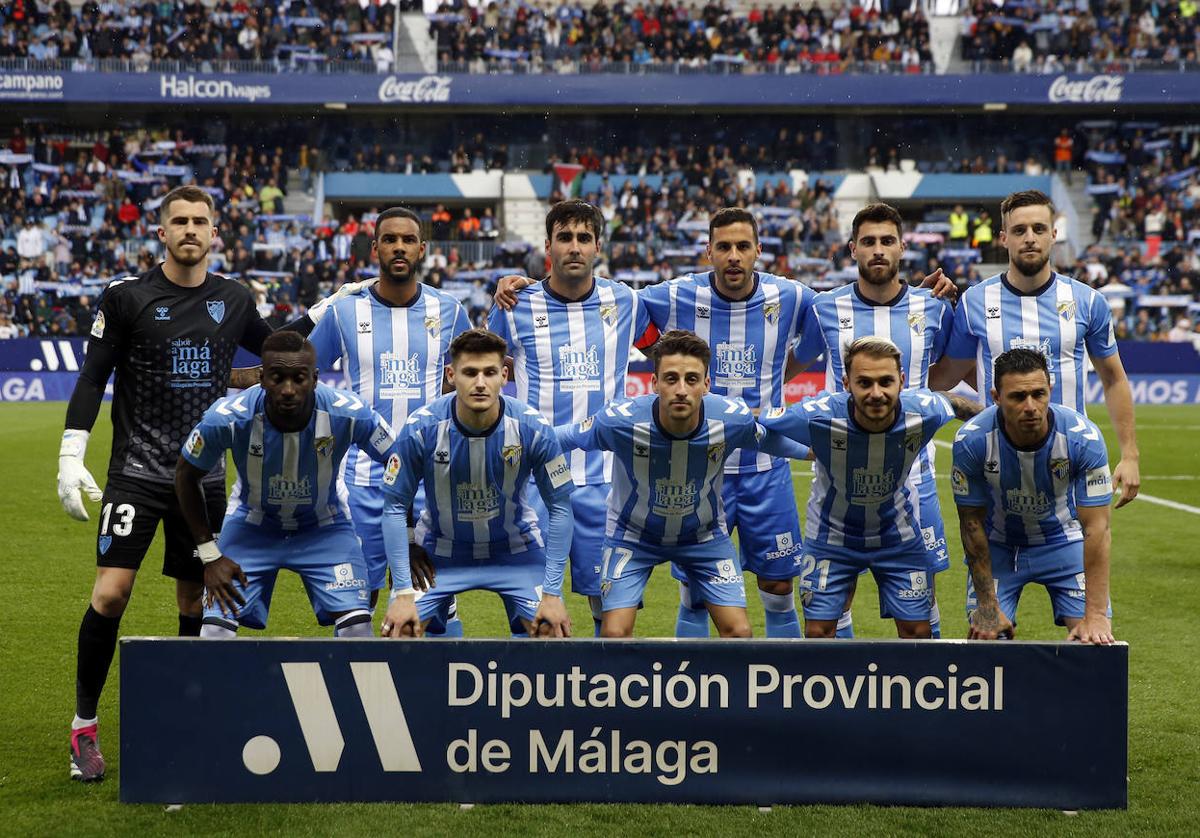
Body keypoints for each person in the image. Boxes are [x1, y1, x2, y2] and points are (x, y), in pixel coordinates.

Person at [55, 185, 360, 783]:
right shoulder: (125, 297)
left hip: (206, 477)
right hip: (138, 473)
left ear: (214, 232)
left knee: (196, 600)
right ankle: (83, 728)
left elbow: (277, 349)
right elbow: (92, 377)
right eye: (180, 221)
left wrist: (328, 308)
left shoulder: (233, 298)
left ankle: (187, 717)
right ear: (161, 232)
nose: (191, 229)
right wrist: (71, 452)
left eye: (201, 221)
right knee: (111, 593)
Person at [555, 330, 811, 638]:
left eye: (691, 379)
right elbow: (564, 437)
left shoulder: (731, 419)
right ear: (654, 383)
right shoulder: (620, 422)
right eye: (671, 378)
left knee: (739, 634)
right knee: (614, 634)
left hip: (704, 537)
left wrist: (815, 452)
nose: (680, 389)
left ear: (706, 384)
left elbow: (769, 441)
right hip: (632, 537)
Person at [790, 203, 956, 638]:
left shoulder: (934, 307)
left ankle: (925, 692)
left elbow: (953, 372)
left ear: (903, 247)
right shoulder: (824, 308)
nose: (878, 250)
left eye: (887, 241)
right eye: (868, 242)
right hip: (838, 477)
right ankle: (837, 698)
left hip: (913, 479)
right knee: (831, 602)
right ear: (852, 249)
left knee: (922, 602)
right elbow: (789, 365)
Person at [487, 200, 652, 634]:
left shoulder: (628, 302)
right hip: (536, 481)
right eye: (565, 238)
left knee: (611, 617)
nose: (574, 247)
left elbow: (667, 354)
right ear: (548, 246)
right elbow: (479, 377)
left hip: (608, 482)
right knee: (536, 615)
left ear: (598, 245)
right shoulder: (514, 306)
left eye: (583, 238)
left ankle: (603, 696)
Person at [308, 206, 471, 633]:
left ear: (422, 248)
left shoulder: (450, 310)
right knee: (358, 603)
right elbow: (302, 375)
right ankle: (356, 692)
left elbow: (469, 385)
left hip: (431, 483)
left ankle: (442, 695)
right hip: (364, 482)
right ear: (376, 247)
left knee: (435, 600)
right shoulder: (345, 313)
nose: (399, 246)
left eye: (408, 240)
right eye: (390, 239)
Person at [175, 331, 394, 639]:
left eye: (299, 378)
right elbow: (185, 475)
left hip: (325, 527)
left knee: (357, 628)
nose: (288, 389)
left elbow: (400, 463)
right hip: (251, 528)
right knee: (214, 633)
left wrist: (407, 535)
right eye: (277, 378)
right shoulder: (227, 418)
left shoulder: (350, 412)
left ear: (315, 379)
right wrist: (210, 554)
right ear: (262, 378)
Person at [762, 337, 981, 639]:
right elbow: (760, 426)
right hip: (831, 538)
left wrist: (996, 420)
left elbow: (954, 403)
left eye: (885, 382)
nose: (876, 393)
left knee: (918, 633)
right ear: (846, 383)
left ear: (902, 381)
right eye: (864, 383)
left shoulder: (925, 411)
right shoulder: (818, 414)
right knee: (818, 634)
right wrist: (804, 451)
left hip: (898, 538)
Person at [935, 190, 1140, 509]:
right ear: (1003, 238)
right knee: (991, 557)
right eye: (1019, 230)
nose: (1030, 238)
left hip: (1071, 460)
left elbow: (1114, 380)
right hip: (996, 464)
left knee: (1079, 557)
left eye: (1038, 229)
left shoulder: (1088, 302)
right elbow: (948, 373)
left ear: (1053, 235)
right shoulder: (975, 302)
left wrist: (1130, 455)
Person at [379, 329, 575, 639]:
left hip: (517, 553)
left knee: (552, 630)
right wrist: (403, 590)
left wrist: (552, 593)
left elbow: (561, 507)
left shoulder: (533, 428)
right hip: (440, 555)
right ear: (451, 374)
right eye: (470, 373)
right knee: (399, 630)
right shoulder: (421, 427)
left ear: (504, 375)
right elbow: (393, 507)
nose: (480, 383)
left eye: (489, 372)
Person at [952, 348, 1114, 644]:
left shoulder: (1083, 439)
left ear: (1050, 390)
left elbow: (1097, 529)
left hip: (1063, 542)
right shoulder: (972, 440)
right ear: (996, 397)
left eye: (1039, 394)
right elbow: (971, 524)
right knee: (988, 639)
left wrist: (1096, 614)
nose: (1030, 406)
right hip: (999, 545)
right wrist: (987, 605)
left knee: (1092, 642)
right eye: (1017, 397)